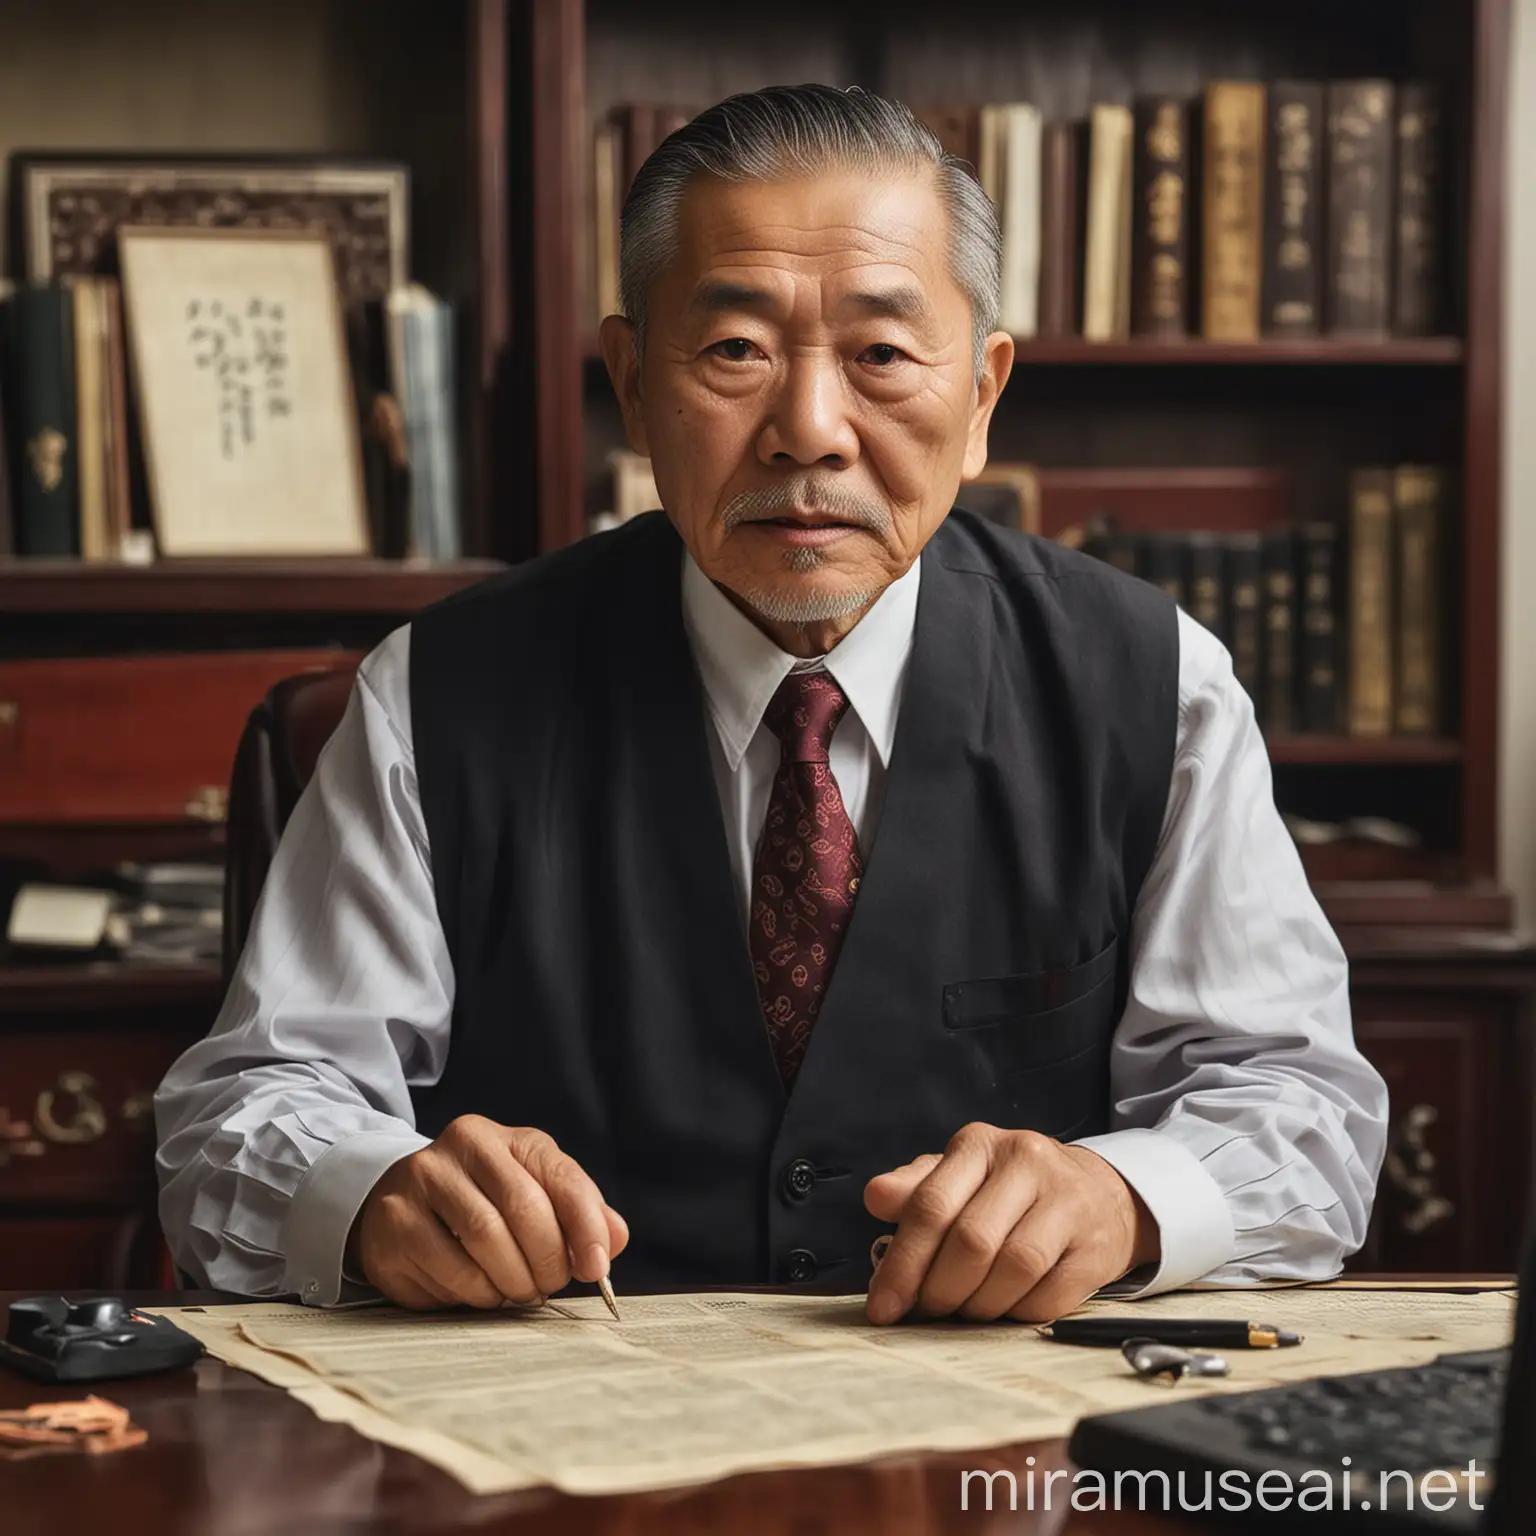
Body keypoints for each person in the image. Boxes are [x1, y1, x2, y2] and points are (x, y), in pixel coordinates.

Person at [156, 84, 1387, 1326]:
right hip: (560, 1434)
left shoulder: (1154, 684)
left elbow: (1302, 1112)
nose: (809, 431)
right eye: (735, 349)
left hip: (1001, 1449)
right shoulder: (438, 692)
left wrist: (1121, 1198)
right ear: (632, 384)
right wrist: (374, 1194)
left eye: (884, 356)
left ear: (983, 398)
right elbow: (243, 1111)